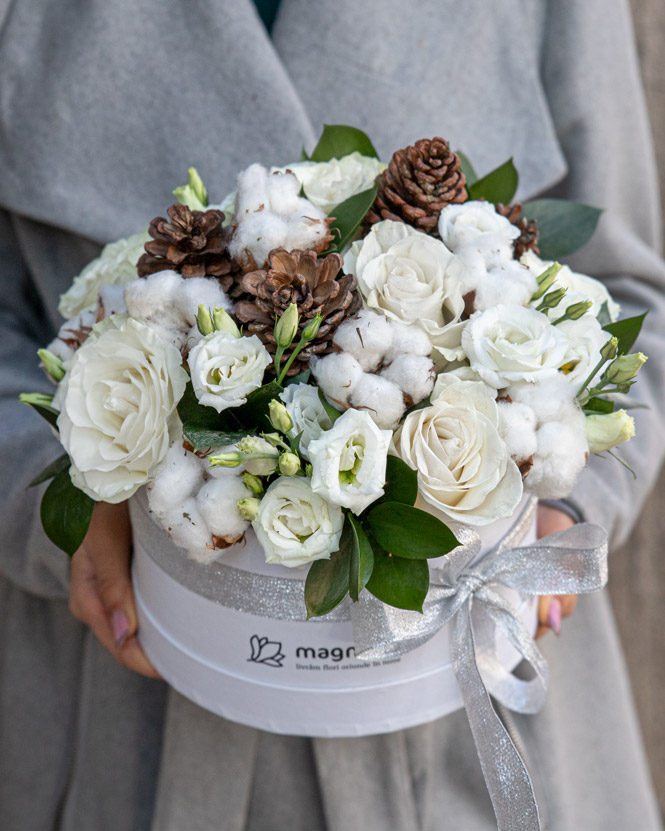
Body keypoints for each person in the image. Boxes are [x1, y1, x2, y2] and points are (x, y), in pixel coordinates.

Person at [1, 0, 663, 828]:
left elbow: (624, 293)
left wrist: (561, 502)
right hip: (122, 714)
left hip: (469, 720)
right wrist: (56, 501)